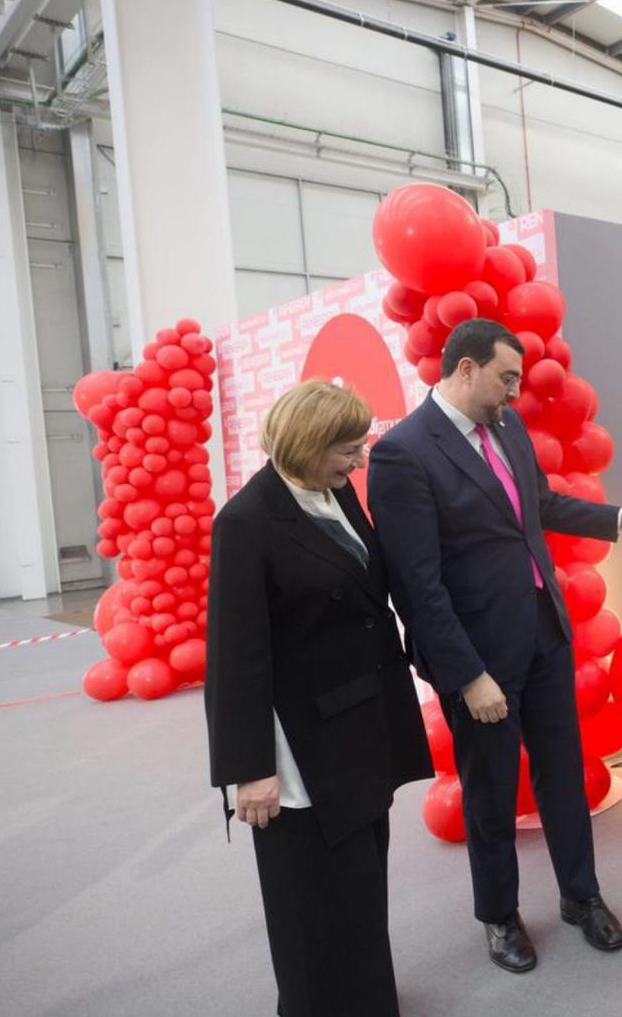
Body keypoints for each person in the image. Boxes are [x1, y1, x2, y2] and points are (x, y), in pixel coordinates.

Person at [367, 318, 622, 974]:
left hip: (544, 633)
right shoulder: (404, 452)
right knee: (491, 788)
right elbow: (417, 585)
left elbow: (539, 504)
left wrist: (618, 518)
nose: (512, 393)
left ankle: (581, 896)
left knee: (564, 775)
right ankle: (499, 915)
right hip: (478, 656)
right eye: (504, 378)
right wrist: (467, 675)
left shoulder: (507, 427)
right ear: (464, 367)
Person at [205, 380, 432, 1017]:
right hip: (298, 746)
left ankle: (367, 1001)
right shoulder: (246, 522)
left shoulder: (335, 493)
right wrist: (250, 771)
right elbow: (236, 659)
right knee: (307, 899)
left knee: (360, 883)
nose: (359, 462)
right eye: (347, 449)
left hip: (361, 726)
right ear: (307, 443)